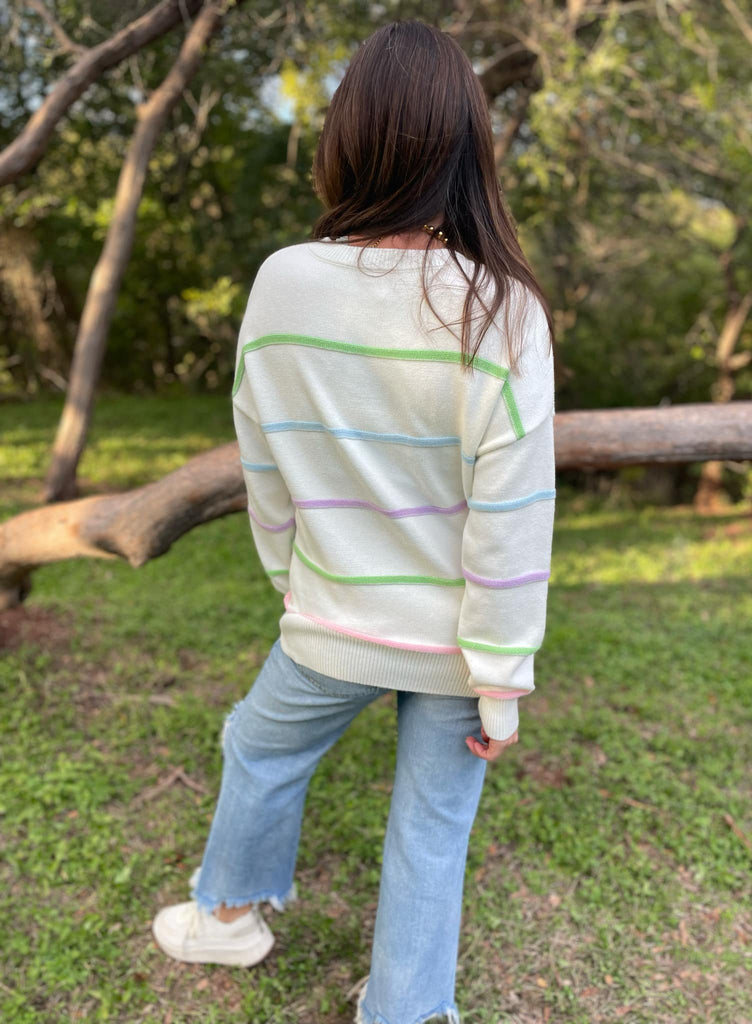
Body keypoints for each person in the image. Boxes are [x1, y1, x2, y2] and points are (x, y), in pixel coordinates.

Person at [152, 18, 556, 1024]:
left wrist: (294, 577)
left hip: (330, 617)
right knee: (431, 829)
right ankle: (406, 1009)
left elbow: (265, 464)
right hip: (458, 650)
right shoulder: (504, 308)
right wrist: (502, 679)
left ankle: (228, 916)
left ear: (346, 138)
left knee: (259, 746)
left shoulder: (284, 281)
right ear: (468, 150)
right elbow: (514, 512)